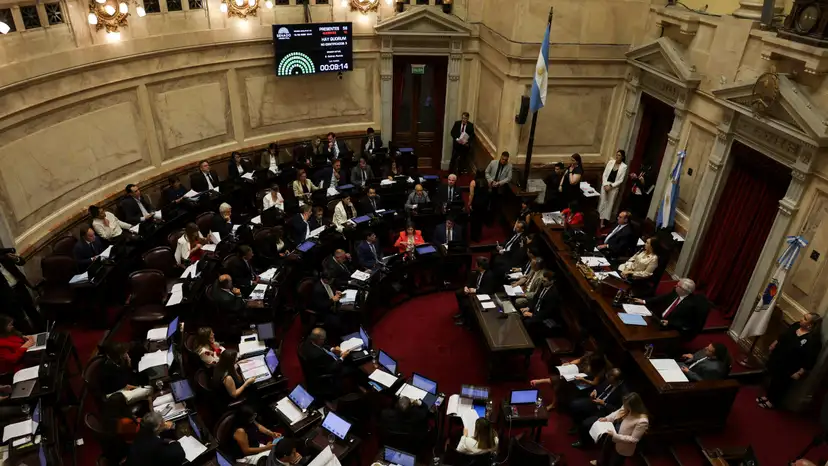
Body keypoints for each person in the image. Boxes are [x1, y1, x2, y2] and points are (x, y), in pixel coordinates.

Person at [758, 312, 822, 409]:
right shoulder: (796, 325)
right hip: (779, 358)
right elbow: (783, 336)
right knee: (774, 379)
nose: (801, 319)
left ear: (810, 324)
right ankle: (767, 396)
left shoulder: (814, 340)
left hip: (791, 367)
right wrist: (774, 343)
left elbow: (810, 358)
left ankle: (772, 401)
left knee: (781, 385)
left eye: (805, 319)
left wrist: (800, 372)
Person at [633, 278, 708, 341]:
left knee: (642, 335)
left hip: (670, 327)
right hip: (658, 318)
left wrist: (670, 323)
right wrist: (644, 301)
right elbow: (664, 297)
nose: (675, 286)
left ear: (683, 290)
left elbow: (688, 323)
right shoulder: (676, 292)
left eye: (678, 286)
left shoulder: (690, 306)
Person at [530, 351, 607, 410]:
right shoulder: (590, 355)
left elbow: (594, 383)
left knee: (561, 382)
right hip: (577, 372)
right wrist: (569, 363)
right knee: (561, 379)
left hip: (584, 382)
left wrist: (583, 380)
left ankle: (552, 403)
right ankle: (541, 383)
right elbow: (579, 360)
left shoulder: (600, 371)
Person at [571, 368, 627, 448]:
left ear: (617, 381)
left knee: (586, 424)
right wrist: (595, 391)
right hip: (595, 402)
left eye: (610, 381)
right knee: (575, 405)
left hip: (605, 412)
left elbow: (618, 410)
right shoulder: (609, 379)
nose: (608, 381)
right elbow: (599, 387)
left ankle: (583, 442)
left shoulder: (623, 393)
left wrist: (603, 403)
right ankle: (577, 426)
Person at [590, 393, 649, 466]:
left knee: (615, 462)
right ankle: (600, 463)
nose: (624, 407)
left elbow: (634, 439)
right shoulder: (626, 406)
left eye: (626, 406)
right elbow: (616, 413)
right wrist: (607, 418)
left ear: (633, 406)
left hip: (622, 444)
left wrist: (615, 436)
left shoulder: (642, 421)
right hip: (612, 432)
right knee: (606, 452)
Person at [298, 328, 350, 394]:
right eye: (323, 339)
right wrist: (342, 357)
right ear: (318, 340)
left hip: (322, 360)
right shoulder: (318, 355)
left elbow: (322, 346)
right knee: (351, 367)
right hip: (329, 367)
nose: (324, 340)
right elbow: (332, 368)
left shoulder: (309, 340)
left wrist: (332, 349)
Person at [0, 252, 38, 334]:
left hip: (19, 287)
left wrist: (16, 259)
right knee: (19, 319)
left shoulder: (4, 256)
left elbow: (22, 262)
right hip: (7, 295)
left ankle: (44, 332)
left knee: (32, 311)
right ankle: (31, 337)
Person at [454, 257, 496, 326]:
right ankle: (461, 312)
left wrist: (475, 290)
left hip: (481, 294)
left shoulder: (489, 276)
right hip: (473, 290)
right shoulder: (477, 272)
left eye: (476, 265)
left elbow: (487, 290)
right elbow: (469, 281)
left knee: (468, 304)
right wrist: (466, 287)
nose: (475, 266)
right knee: (458, 293)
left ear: (481, 267)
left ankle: (465, 321)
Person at [519, 270, 560, 341]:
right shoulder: (543, 285)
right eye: (543, 280)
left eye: (545, 281)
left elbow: (547, 312)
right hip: (536, 310)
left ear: (552, 281)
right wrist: (528, 308)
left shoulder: (553, 294)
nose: (542, 282)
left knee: (528, 322)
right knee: (521, 315)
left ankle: (527, 341)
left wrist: (532, 315)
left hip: (543, 316)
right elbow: (535, 298)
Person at [598, 150, 628, 229]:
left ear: (622, 157)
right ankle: (599, 220)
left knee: (609, 204)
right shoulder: (611, 162)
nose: (617, 157)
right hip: (605, 185)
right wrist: (605, 184)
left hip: (613, 187)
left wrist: (611, 186)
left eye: (619, 155)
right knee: (602, 202)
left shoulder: (624, 166)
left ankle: (604, 222)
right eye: (616, 155)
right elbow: (604, 174)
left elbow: (620, 180)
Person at [468, 169, 490, 243]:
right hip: (484, 203)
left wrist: (469, 203)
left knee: (474, 220)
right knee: (480, 220)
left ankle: (474, 236)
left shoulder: (473, 182)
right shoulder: (487, 182)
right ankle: (479, 235)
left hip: (476, 203)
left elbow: (471, 194)